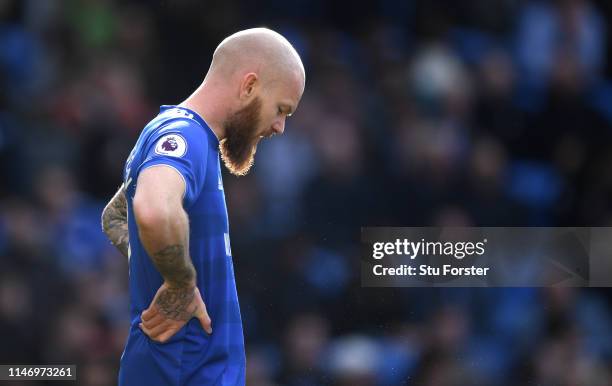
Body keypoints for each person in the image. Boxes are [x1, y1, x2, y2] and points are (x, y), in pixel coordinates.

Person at [101, 27, 305, 386]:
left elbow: (117, 215)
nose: (280, 126)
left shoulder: (187, 137)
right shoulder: (186, 136)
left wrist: (157, 264)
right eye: (280, 109)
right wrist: (179, 282)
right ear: (249, 86)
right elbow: (152, 208)